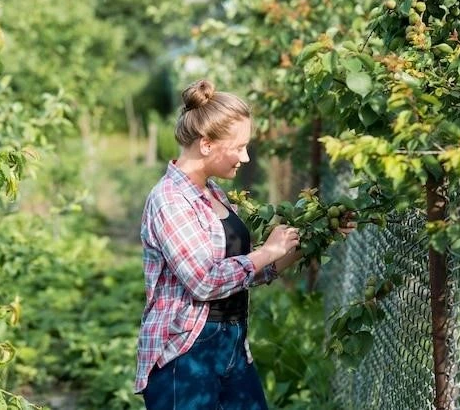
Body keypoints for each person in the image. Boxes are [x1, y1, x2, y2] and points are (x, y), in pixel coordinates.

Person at [135, 79, 328, 409]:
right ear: (207, 144)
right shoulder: (170, 201)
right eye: (239, 147)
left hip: (233, 344)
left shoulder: (212, 193)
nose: (247, 157)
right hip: (186, 353)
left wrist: (315, 237)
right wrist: (266, 252)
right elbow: (205, 281)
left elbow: (244, 275)